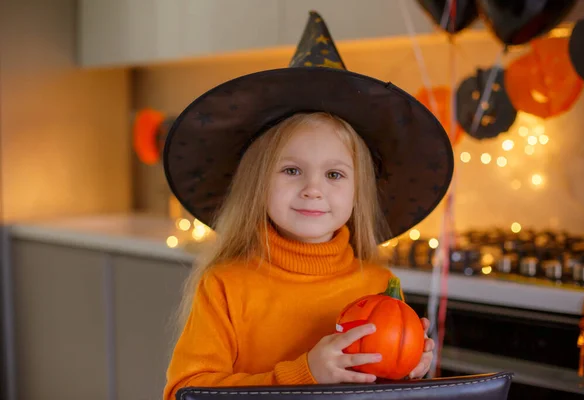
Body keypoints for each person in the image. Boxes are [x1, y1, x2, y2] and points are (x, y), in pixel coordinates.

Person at [161, 10, 454, 400]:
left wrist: (407, 371)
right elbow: (185, 392)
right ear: (256, 183)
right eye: (292, 170)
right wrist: (304, 373)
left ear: (358, 193)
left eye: (334, 175)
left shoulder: (380, 286)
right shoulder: (226, 287)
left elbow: (376, 391)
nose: (313, 189)